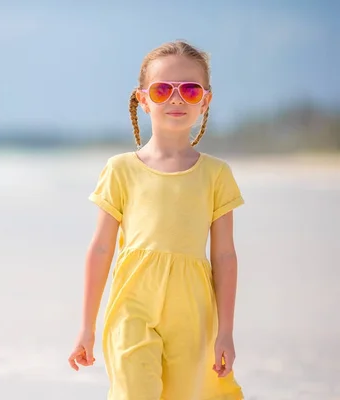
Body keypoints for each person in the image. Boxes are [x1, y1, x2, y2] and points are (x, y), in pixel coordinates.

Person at [67, 40, 245, 400]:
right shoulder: (120, 170)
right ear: (144, 99)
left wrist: (225, 330)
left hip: (193, 313)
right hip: (132, 306)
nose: (176, 99)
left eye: (190, 90)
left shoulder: (216, 174)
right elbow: (100, 248)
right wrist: (86, 327)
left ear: (205, 100)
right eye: (163, 89)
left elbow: (224, 256)